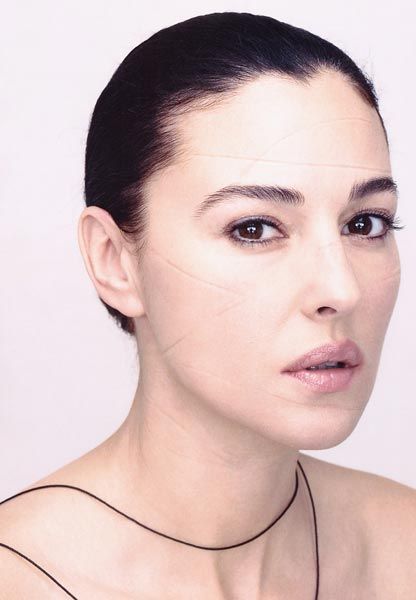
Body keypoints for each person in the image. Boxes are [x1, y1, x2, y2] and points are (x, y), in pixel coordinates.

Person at [0, 11, 415, 599]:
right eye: (254, 228)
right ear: (115, 260)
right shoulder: (20, 579)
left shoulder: (404, 548)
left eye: (365, 223)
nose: (340, 289)